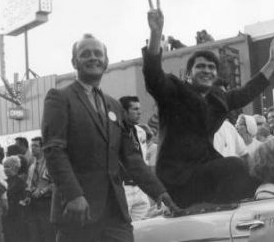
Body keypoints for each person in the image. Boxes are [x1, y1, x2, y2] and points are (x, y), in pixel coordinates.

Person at [143, 0, 274, 207]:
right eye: (200, 67)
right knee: (234, 166)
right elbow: (154, 75)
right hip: (177, 178)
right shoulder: (174, 91)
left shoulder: (218, 99)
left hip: (204, 171)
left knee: (256, 175)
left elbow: (247, 91)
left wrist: (272, 62)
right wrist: (155, 34)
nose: (207, 71)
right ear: (188, 74)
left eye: (211, 68)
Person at [41, 33, 178, 242]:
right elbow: (53, 150)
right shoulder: (59, 98)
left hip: (115, 212)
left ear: (106, 62)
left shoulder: (114, 105)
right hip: (79, 210)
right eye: (85, 54)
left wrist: (160, 192)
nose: (93, 58)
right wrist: (73, 195)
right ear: (74, 62)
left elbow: (131, 157)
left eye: (98, 54)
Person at [119, 95, 151, 221]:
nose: (140, 112)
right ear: (124, 111)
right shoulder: (114, 131)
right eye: (135, 109)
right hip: (123, 188)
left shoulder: (141, 132)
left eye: (140, 109)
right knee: (122, 228)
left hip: (140, 188)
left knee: (143, 228)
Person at [26, 137, 55, 242]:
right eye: (31, 146)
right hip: (34, 203)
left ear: (43, 147)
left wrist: (43, 191)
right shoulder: (32, 167)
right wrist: (28, 195)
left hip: (47, 202)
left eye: (36, 146)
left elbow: (56, 184)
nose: (32, 148)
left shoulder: (50, 164)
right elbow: (29, 184)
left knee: (48, 232)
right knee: (35, 233)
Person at [3, 156, 28, 242]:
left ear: (15, 168)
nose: (5, 169)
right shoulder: (5, 181)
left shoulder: (20, 182)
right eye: (4, 167)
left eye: (7, 167)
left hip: (16, 217)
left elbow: (23, 200)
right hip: (7, 215)